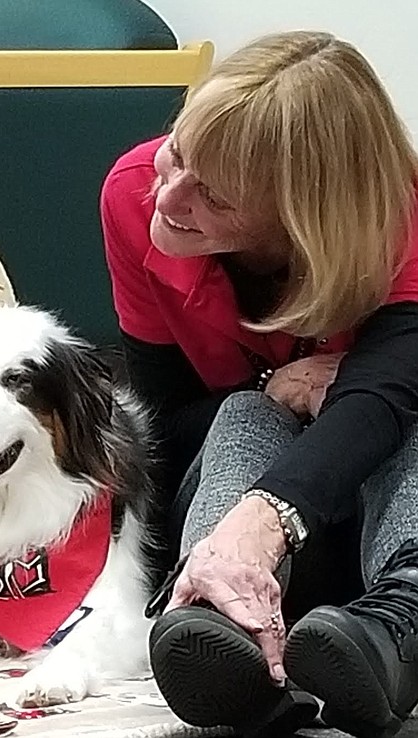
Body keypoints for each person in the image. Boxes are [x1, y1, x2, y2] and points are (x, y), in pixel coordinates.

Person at [100, 30, 418, 738]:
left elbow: (381, 402)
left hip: (381, 518)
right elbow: (166, 426)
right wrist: (274, 389)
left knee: (398, 416)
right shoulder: (133, 191)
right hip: (249, 527)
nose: (169, 196)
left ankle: (404, 619)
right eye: (177, 150)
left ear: (300, 210)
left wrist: (271, 512)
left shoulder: (402, 221)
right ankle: (219, 626)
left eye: (213, 194)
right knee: (244, 410)